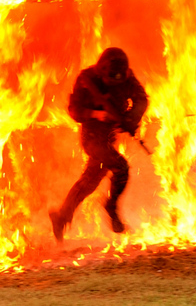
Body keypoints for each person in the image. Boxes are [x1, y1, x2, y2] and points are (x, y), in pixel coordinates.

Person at [50, 47, 148, 243]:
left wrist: (130, 119)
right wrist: (96, 114)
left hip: (109, 136)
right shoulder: (87, 79)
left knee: (89, 182)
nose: (112, 83)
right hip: (92, 137)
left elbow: (141, 100)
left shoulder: (127, 77)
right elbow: (74, 110)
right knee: (121, 168)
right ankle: (111, 208)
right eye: (109, 80)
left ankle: (61, 216)